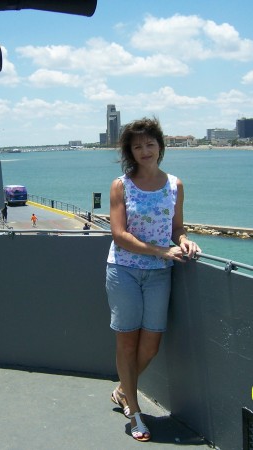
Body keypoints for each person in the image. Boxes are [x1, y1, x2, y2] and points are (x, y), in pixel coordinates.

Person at [105, 117, 200, 442]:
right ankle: (136, 413)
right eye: (137, 146)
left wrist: (184, 240)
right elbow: (119, 235)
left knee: (151, 345)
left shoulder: (175, 184)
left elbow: (176, 228)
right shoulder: (121, 185)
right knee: (127, 342)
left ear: (160, 146)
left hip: (160, 274)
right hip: (124, 270)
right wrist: (161, 250)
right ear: (130, 152)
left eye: (150, 144)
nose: (145, 150)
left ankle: (122, 390)